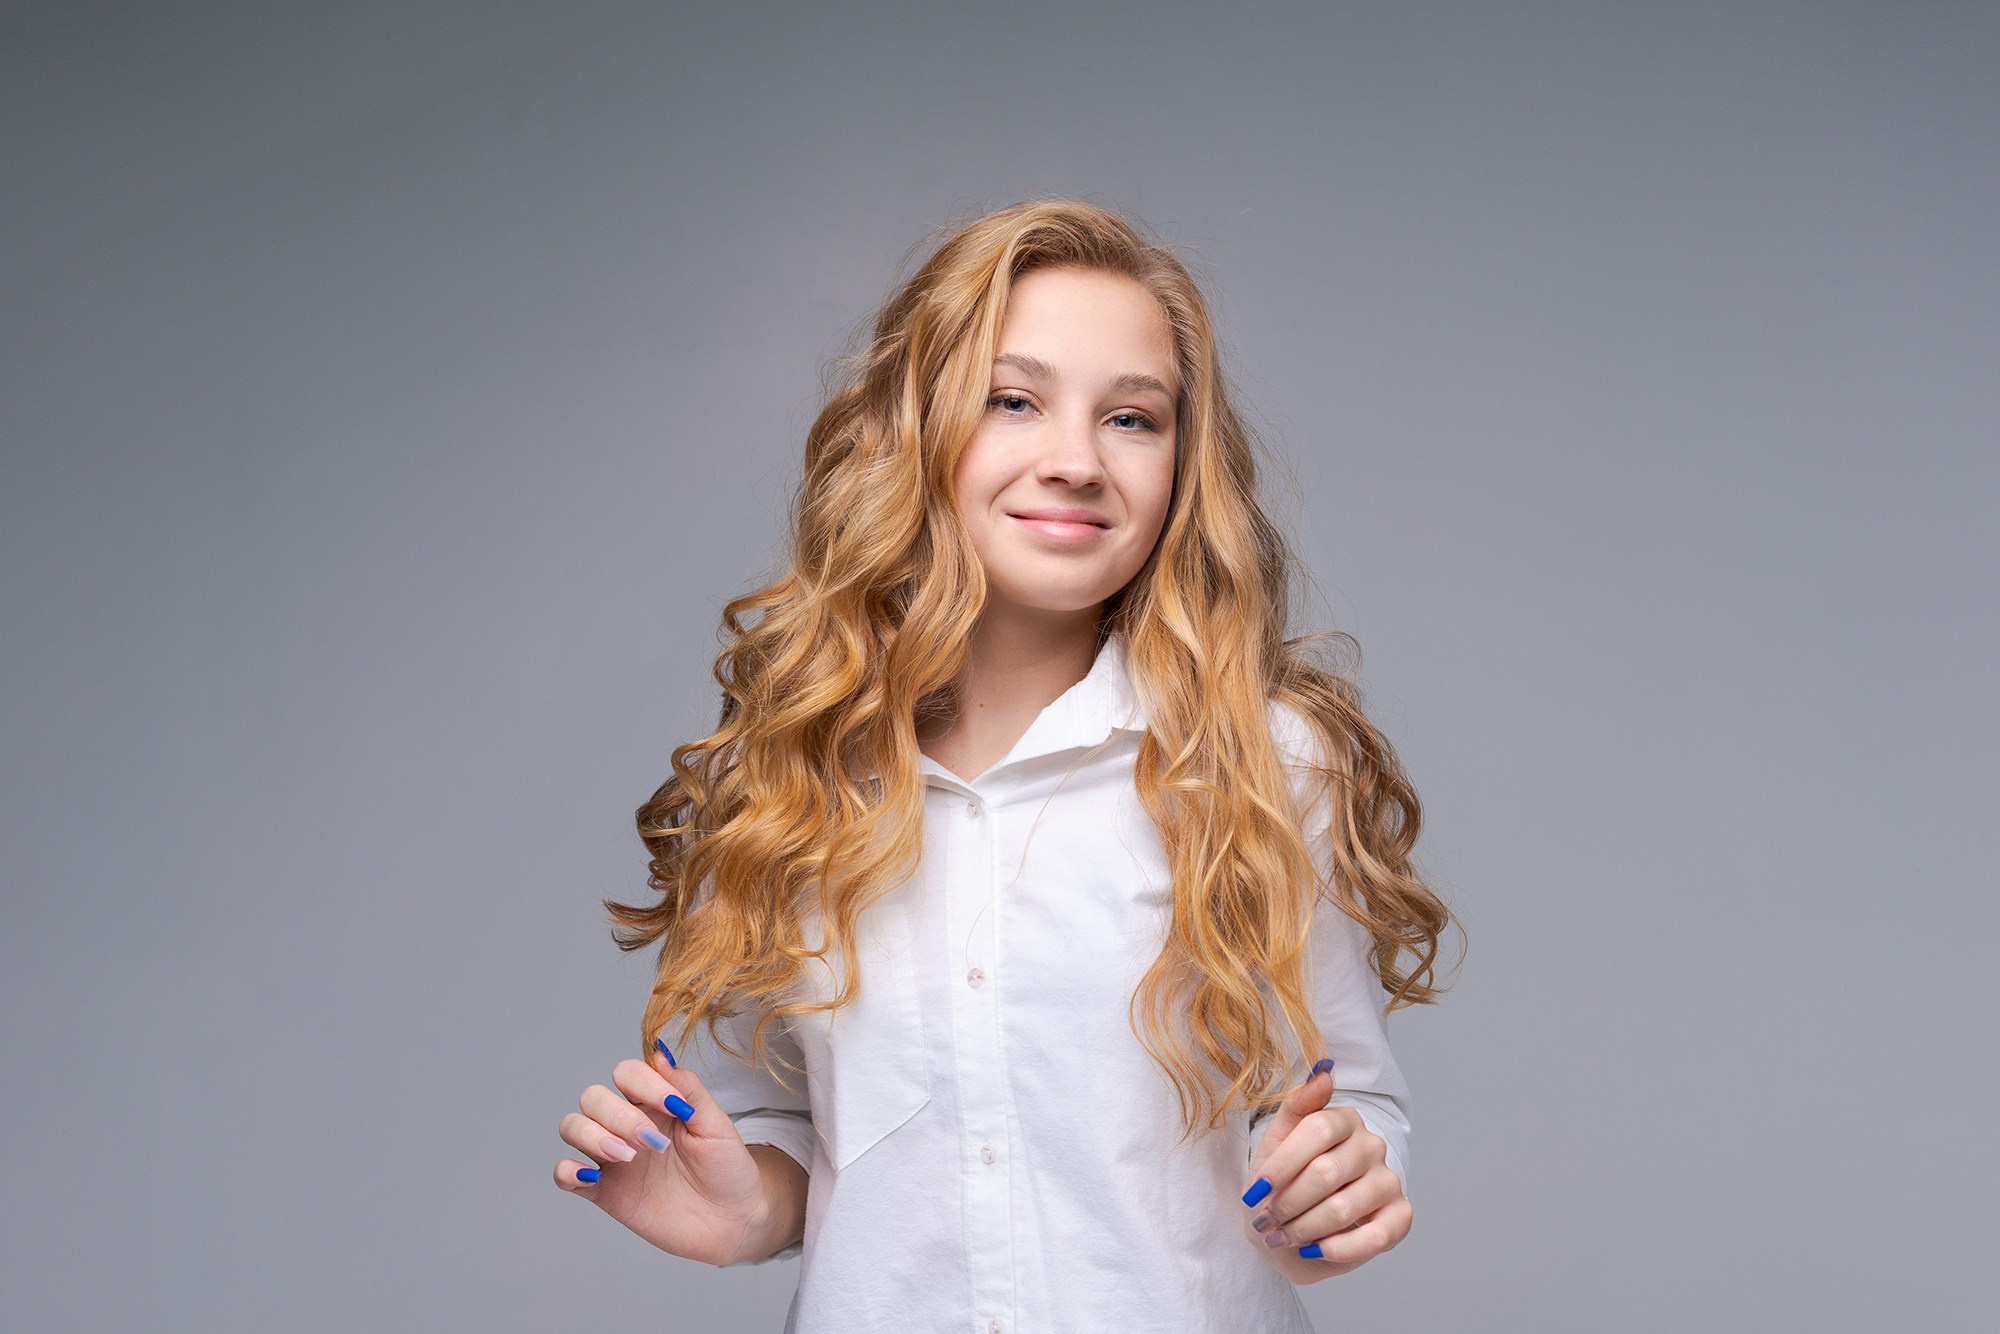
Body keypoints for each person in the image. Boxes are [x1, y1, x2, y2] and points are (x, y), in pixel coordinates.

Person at [552, 197, 1459, 1332]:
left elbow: (1341, 1103)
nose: (1074, 459)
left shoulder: (1267, 762)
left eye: (1131, 418)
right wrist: (748, 1208)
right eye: (1012, 400)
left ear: (1183, 462)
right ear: (916, 431)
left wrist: (1333, 1194)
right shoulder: (794, 774)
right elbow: (793, 1125)